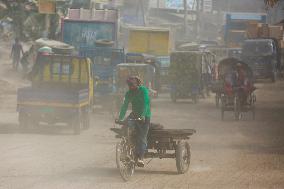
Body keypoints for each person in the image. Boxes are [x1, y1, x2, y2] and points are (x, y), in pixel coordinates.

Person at [118, 76, 151, 167]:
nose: (131, 87)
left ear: (137, 84)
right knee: (125, 127)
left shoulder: (143, 90)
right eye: (129, 85)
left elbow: (146, 104)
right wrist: (120, 118)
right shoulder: (128, 93)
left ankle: (141, 158)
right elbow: (124, 106)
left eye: (132, 85)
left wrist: (143, 115)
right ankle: (126, 149)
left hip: (145, 116)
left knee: (141, 137)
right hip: (134, 115)